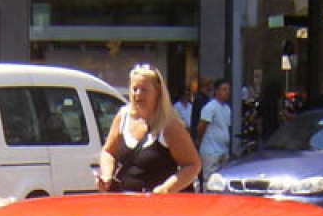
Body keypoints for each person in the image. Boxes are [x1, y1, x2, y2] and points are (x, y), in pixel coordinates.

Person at [97, 63, 200, 194]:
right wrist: (106, 176)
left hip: (158, 209)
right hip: (124, 204)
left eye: (144, 90)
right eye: (134, 89)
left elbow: (192, 165)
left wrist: (165, 189)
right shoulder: (123, 117)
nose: (138, 94)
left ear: (157, 91)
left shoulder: (169, 125)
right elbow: (108, 152)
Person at [195, 78, 232, 177]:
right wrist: (199, 141)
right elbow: (202, 126)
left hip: (223, 148)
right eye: (224, 89)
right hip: (211, 150)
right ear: (216, 91)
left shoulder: (227, 108)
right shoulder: (210, 107)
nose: (227, 92)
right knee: (209, 178)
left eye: (228, 90)